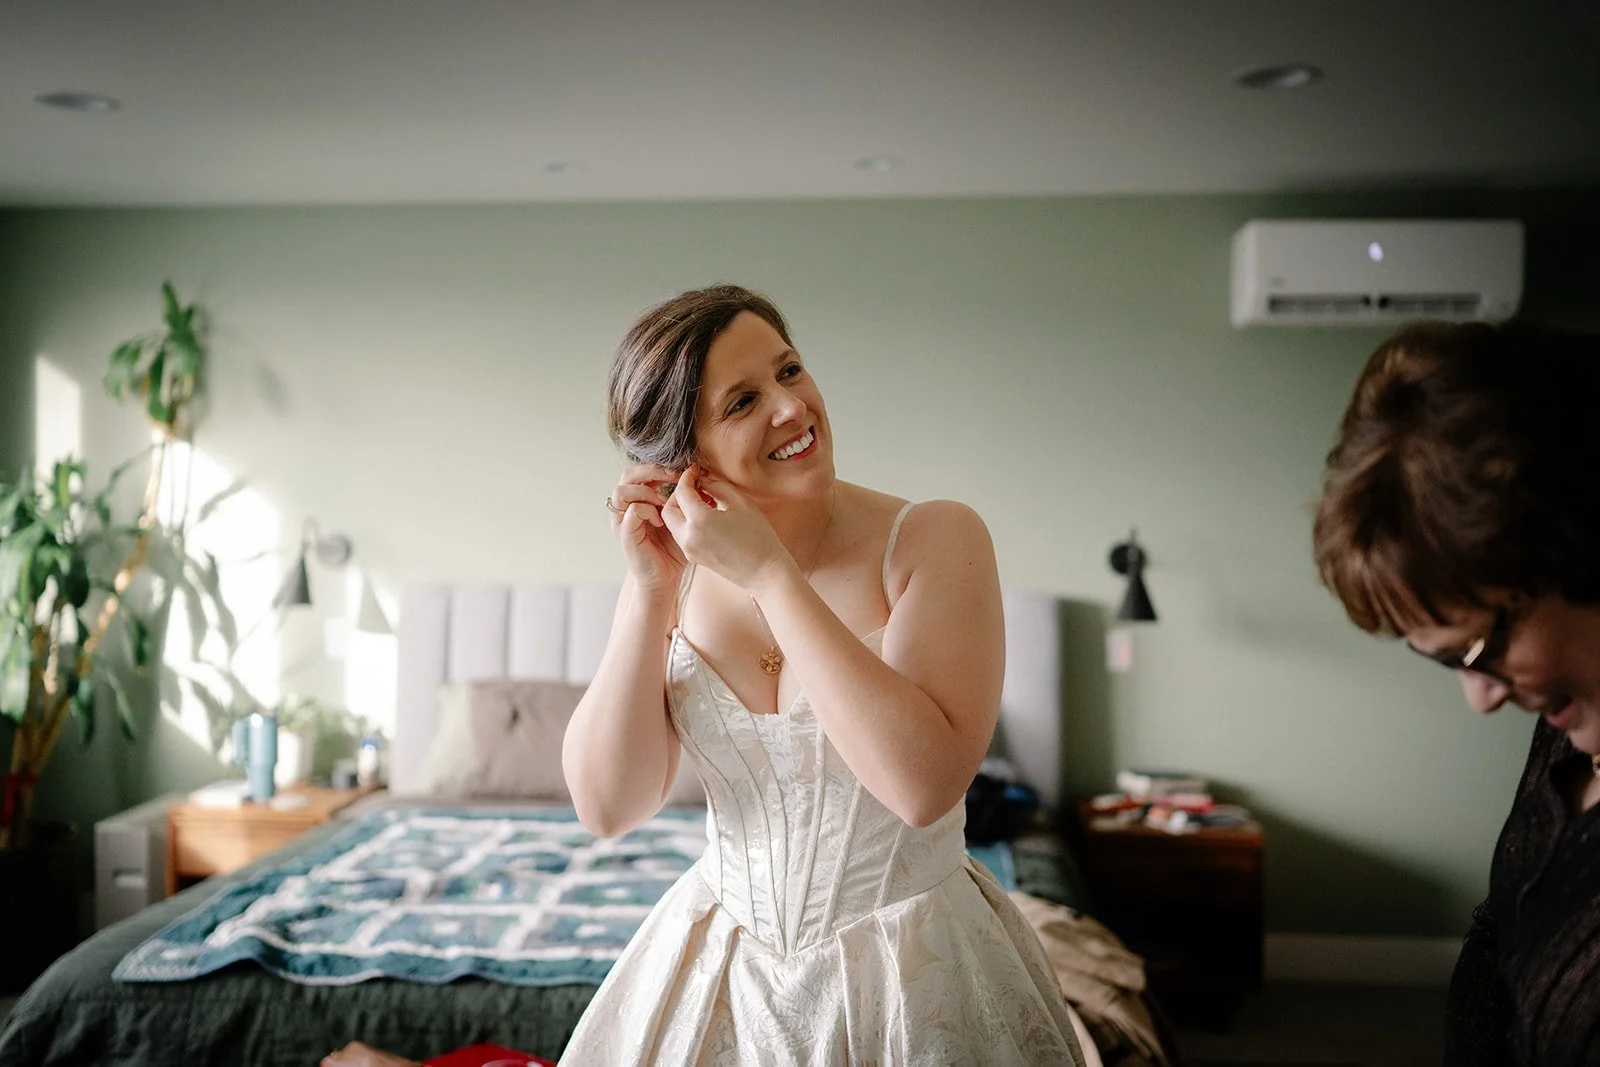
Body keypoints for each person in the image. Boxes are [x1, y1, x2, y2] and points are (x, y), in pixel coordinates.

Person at [558, 285, 1091, 1065]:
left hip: (914, 972)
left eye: (791, 370)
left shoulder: (936, 537)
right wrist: (645, 590)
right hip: (719, 970)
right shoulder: (672, 580)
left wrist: (773, 576)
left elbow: (921, 786)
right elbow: (608, 805)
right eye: (743, 400)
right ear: (683, 460)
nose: (791, 407)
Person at [1312, 319, 1600, 1065]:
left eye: (1483, 649)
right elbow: (1501, 930)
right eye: (1445, 660)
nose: (1480, 698)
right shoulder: (1568, 725)